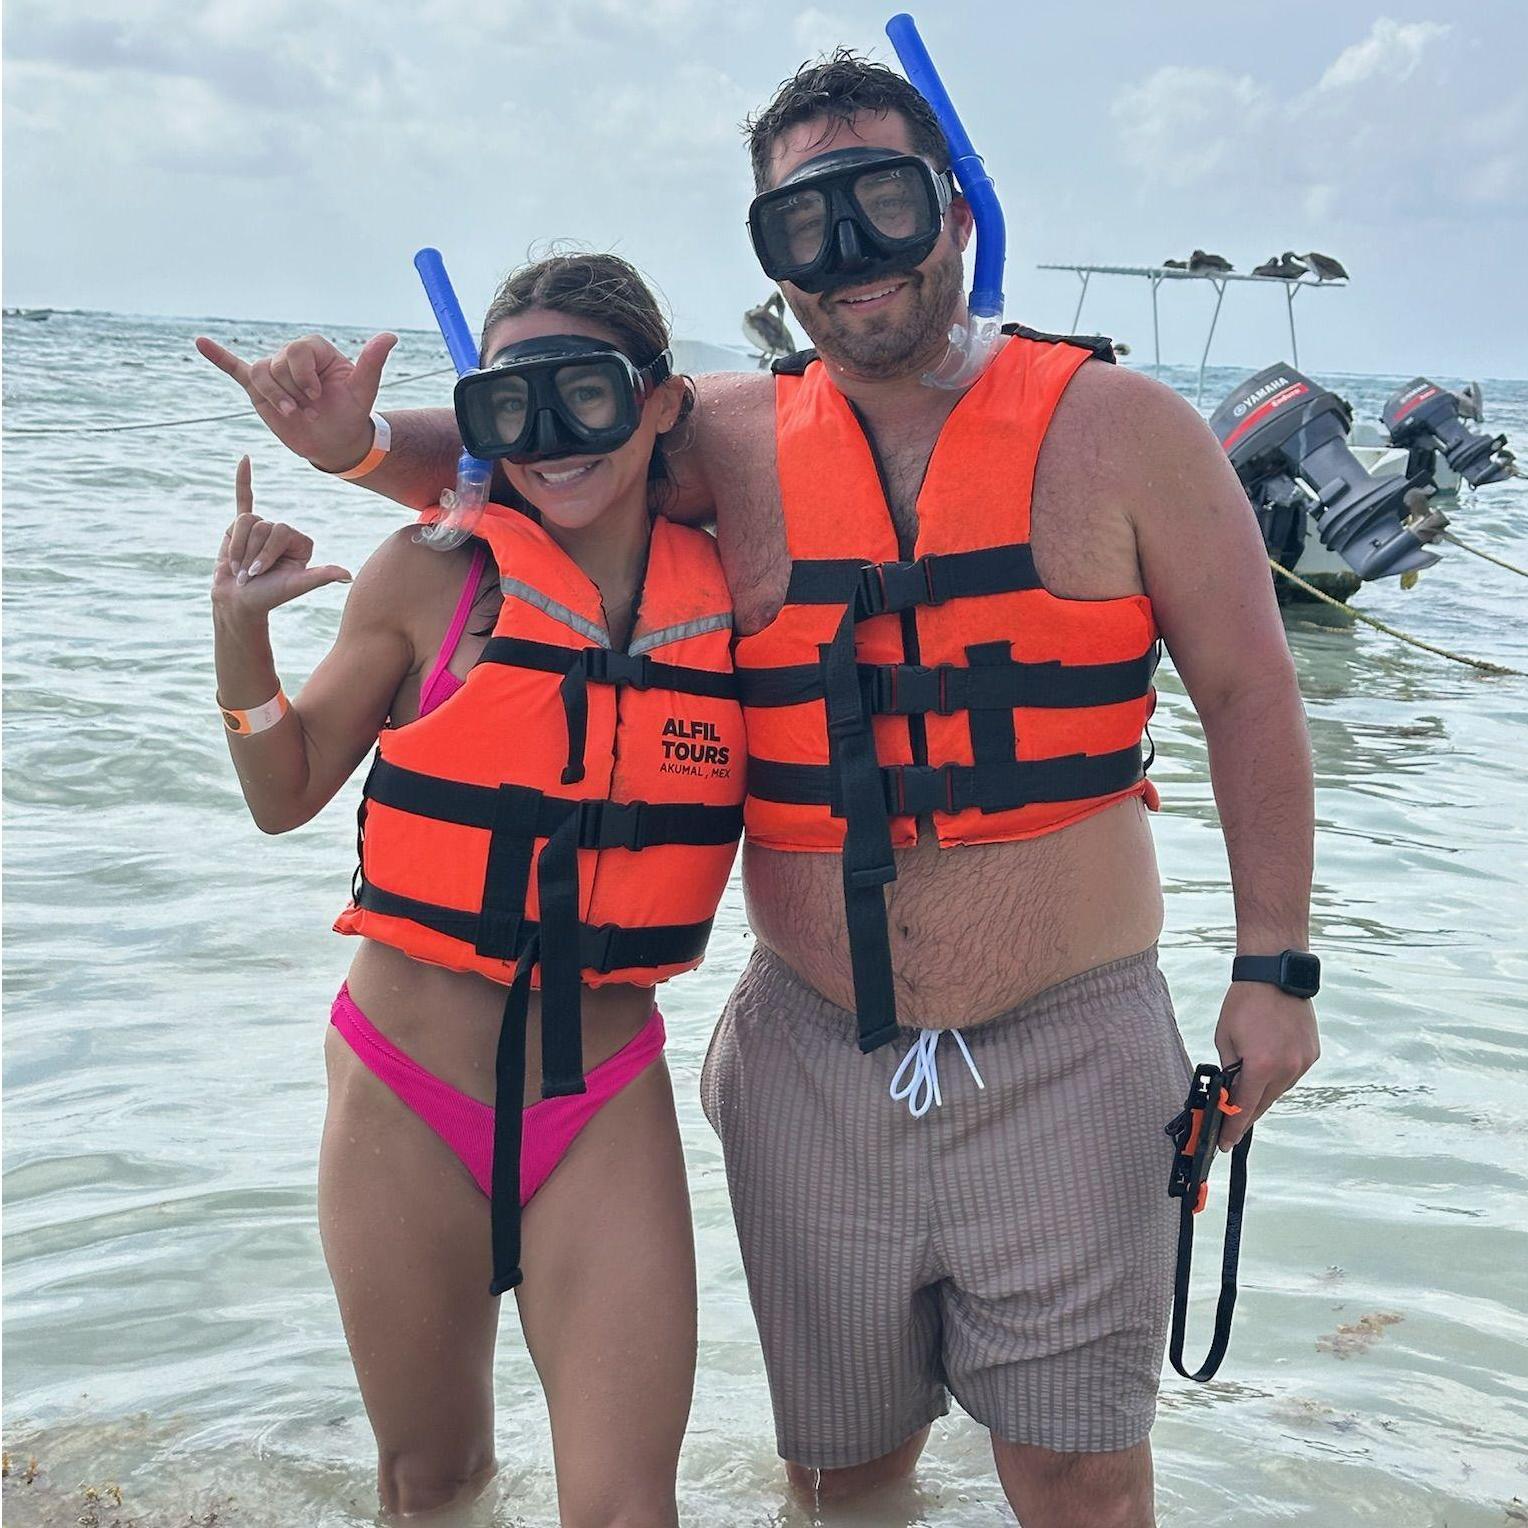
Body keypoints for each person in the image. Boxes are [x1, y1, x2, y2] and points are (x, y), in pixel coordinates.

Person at [208, 49, 1320, 1528]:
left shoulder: (1132, 435)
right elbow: (548, 448)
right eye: (805, 227)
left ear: (958, 209)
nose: (851, 256)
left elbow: (1249, 691)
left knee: (1081, 1484)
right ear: (773, 265)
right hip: (813, 1059)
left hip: (1072, 1049)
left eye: (880, 204)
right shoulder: (728, 439)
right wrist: (352, 444)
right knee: (838, 1481)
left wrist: (1276, 970)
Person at [203, 252, 745, 1526]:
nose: (552, 440)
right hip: (404, 1087)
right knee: (431, 1484)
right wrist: (240, 629)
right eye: (513, 406)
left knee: (626, 1507)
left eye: (589, 397)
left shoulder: (732, 599)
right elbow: (282, 793)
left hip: (600, 1100)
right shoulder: (427, 575)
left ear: (661, 404)